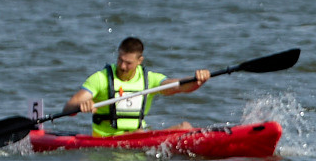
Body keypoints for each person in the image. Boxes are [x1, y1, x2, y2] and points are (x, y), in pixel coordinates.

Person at [67, 37, 211, 137]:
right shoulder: (101, 78)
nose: (122, 66)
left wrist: (197, 80)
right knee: (140, 134)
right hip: (106, 139)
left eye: (128, 63)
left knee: (185, 127)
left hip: (138, 136)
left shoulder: (149, 79)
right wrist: (82, 105)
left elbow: (178, 86)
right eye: (120, 60)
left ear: (140, 61)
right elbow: (68, 108)